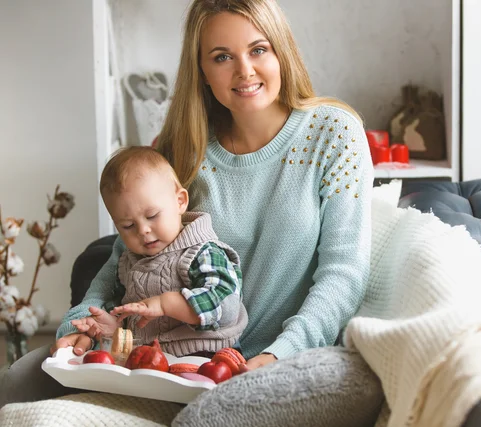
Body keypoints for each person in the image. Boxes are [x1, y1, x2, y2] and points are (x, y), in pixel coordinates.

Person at [0, 0, 373, 406]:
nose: (244, 70)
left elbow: (344, 272)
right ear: (202, 71)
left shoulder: (335, 134)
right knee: (18, 381)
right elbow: (121, 263)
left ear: (281, 50)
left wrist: (279, 354)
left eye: (258, 49)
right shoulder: (180, 148)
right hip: (166, 364)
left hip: (280, 360)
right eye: (222, 56)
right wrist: (77, 325)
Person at [66, 146, 247, 357]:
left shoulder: (202, 252)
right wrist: (113, 327)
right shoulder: (128, 263)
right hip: (150, 360)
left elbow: (227, 306)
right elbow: (127, 312)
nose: (143, 230)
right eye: (127, 226)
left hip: (206, 355)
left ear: (180, 202)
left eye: (152, 215)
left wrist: (166, 304)